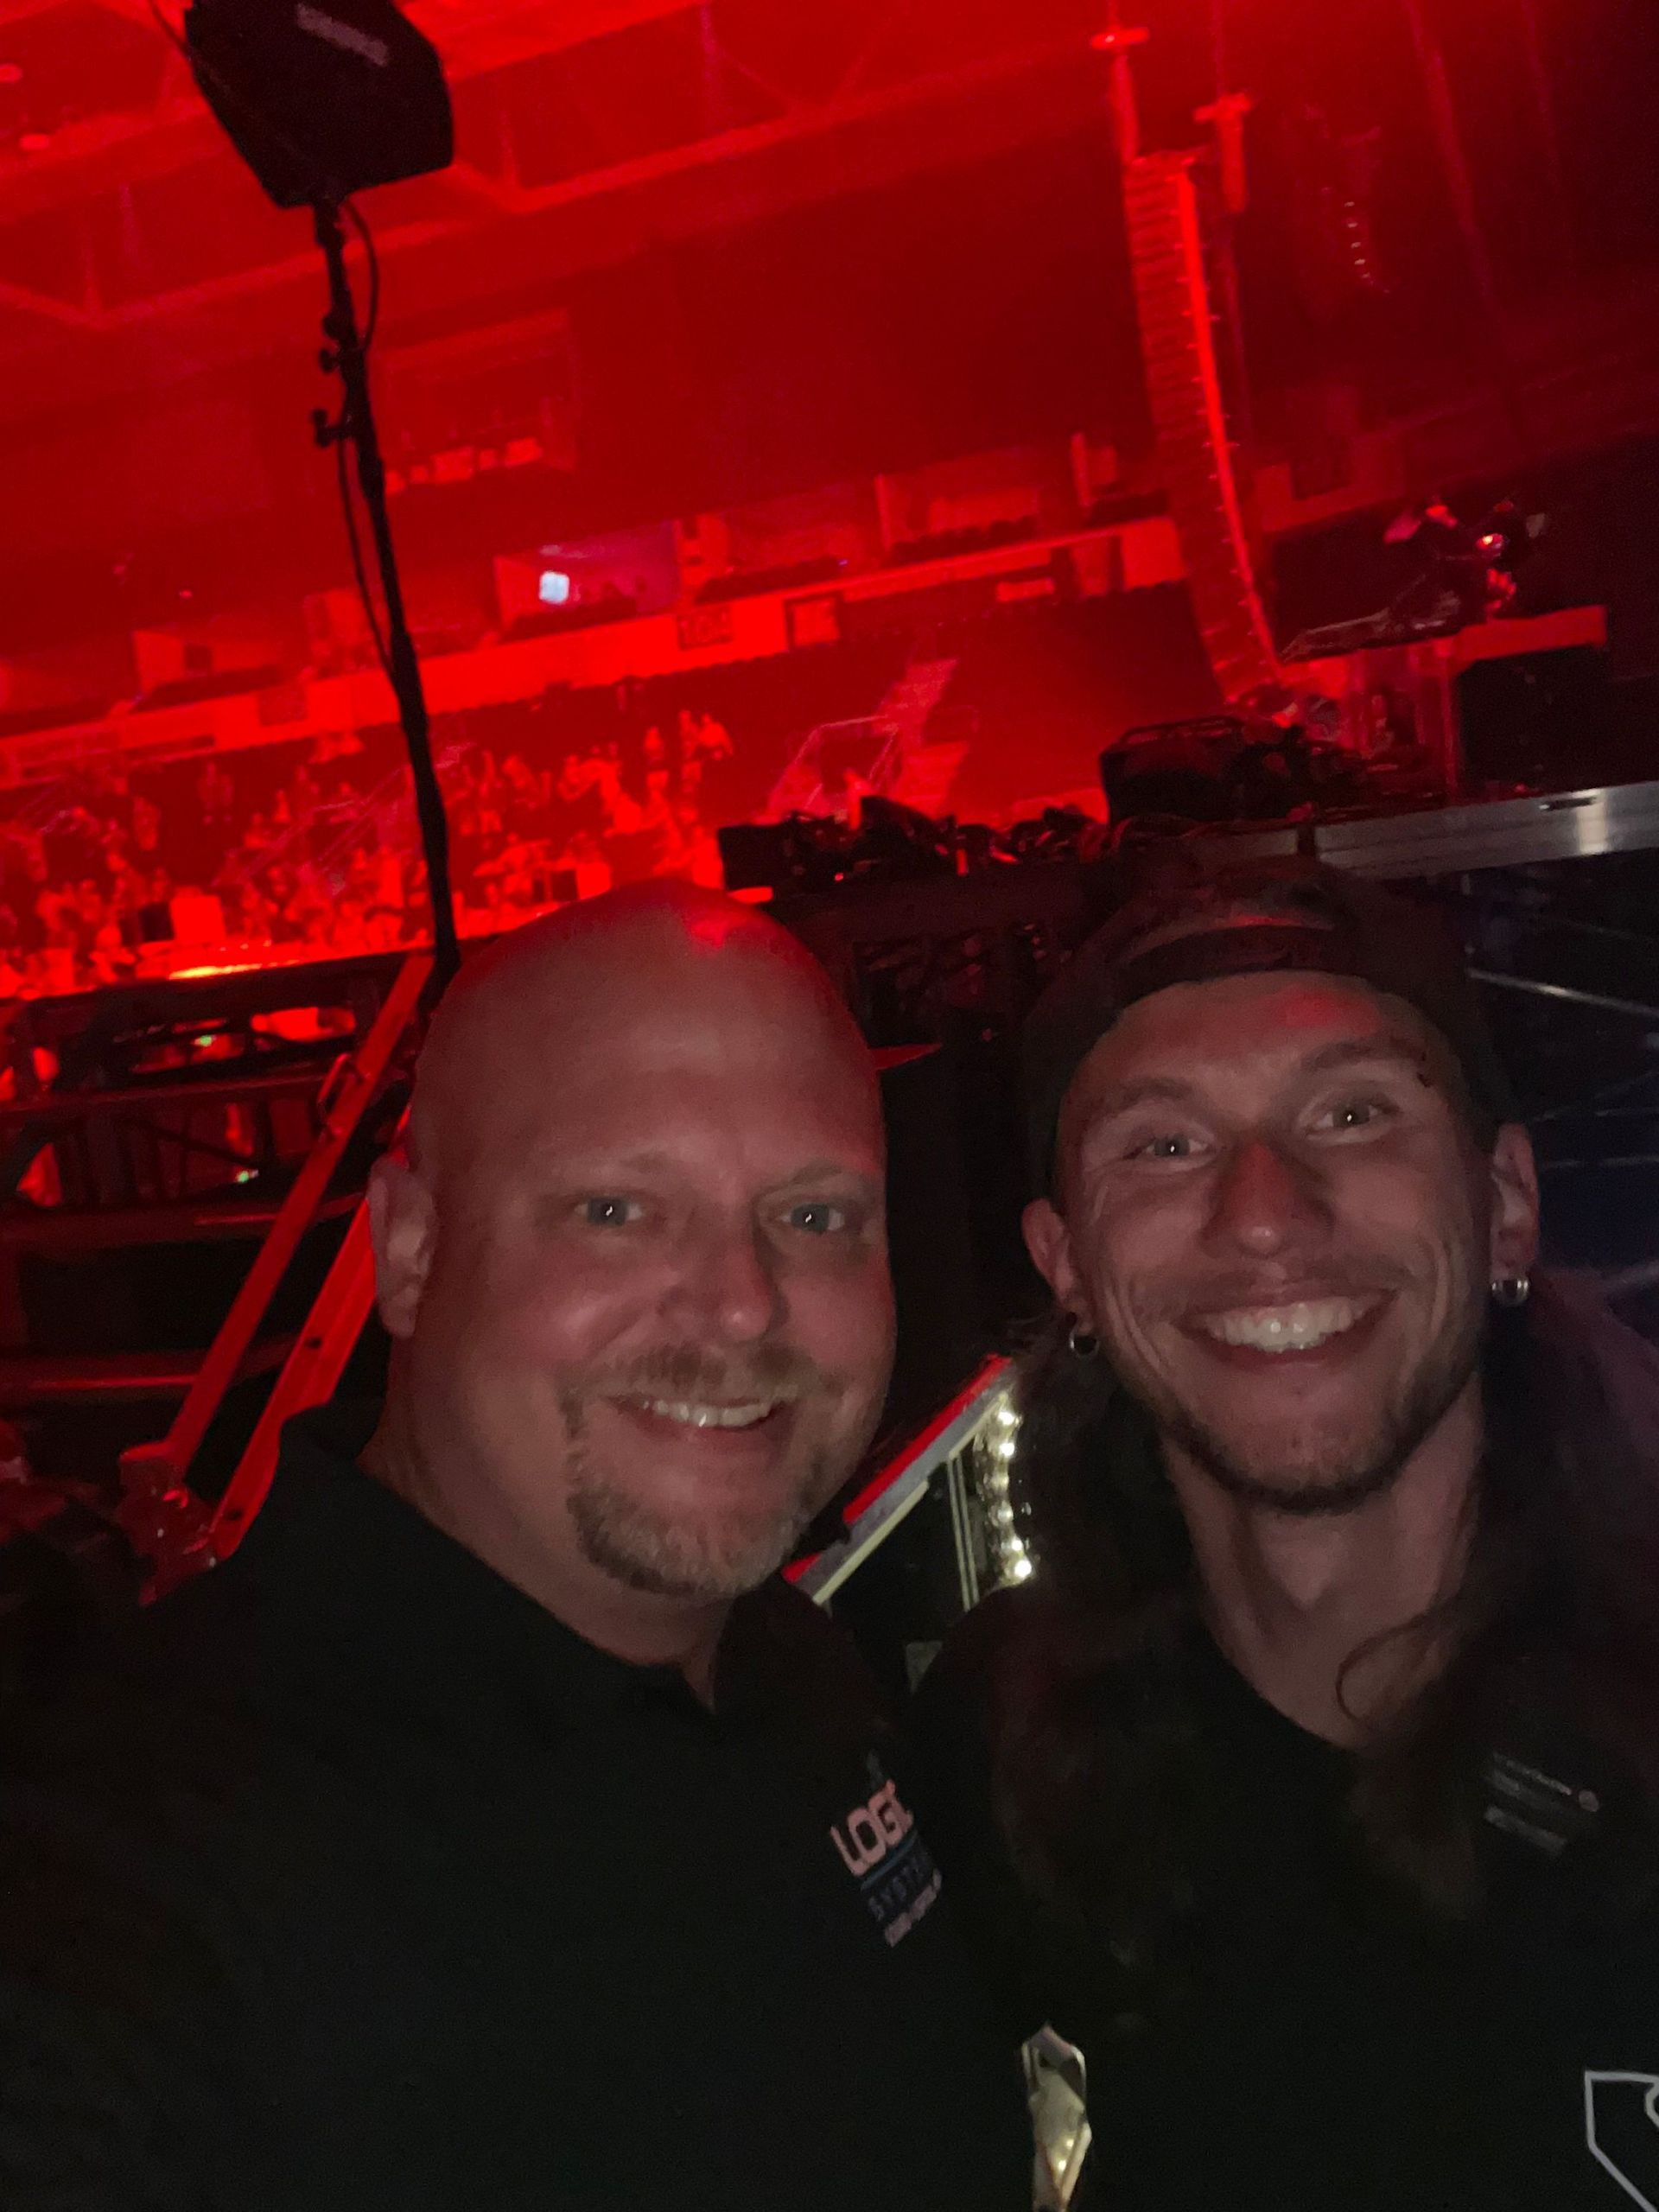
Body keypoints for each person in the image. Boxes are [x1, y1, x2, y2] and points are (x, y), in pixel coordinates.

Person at [0, 881, 1030, 2212]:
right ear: (409, 1252)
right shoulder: (125, 1875)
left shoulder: (797, 1671)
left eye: (816, 1216)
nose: (740, 1304)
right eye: (616, 1209)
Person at [917, 855, 1659, 2212]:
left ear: (1504, 1205)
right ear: (1069, 1267)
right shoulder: (998, 1751)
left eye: (1353, 1113)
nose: (1263, 1214)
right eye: (1164, 1144)